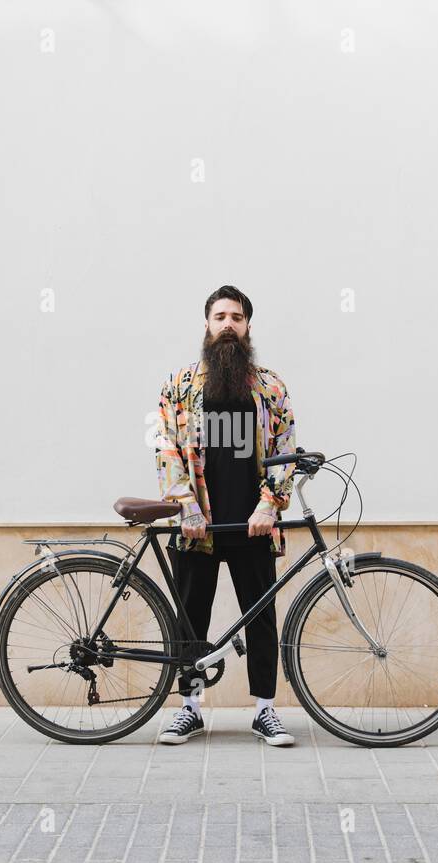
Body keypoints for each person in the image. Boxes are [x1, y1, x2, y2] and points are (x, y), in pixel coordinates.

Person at [153, 285, 297, 746]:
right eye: (220, 316)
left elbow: (285, 449)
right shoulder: (179, 385)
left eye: (237, 316)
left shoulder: (270, 386)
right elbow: (165, 448)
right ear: (207, 325)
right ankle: (189, 709)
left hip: (252, 523)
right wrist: (186, 506)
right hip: (198, 526)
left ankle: (265, 711)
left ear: (248, 326)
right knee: (191, 616)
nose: (228, 324)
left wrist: (268, 505)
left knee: (261, 619)